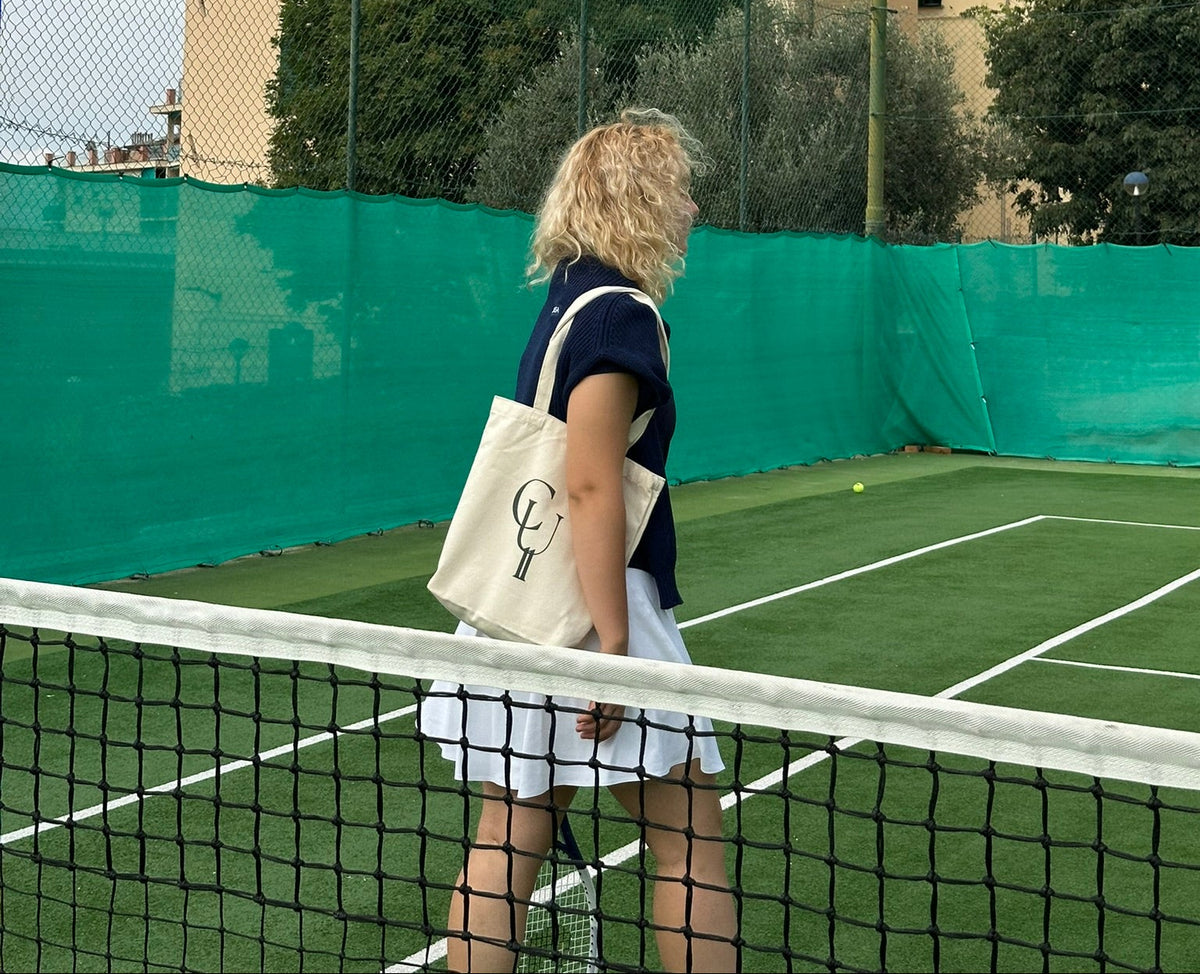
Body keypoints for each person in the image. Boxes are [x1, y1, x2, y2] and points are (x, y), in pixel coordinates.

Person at [420, 108, 737, 973]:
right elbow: (592, 484)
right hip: (594, 611)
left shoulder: (566, 301)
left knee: (504, 843)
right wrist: (613, 651)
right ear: (641, 200)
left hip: (518, 618)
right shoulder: (621, 317)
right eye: (679, 193)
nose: (690, 211)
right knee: (688, 850)